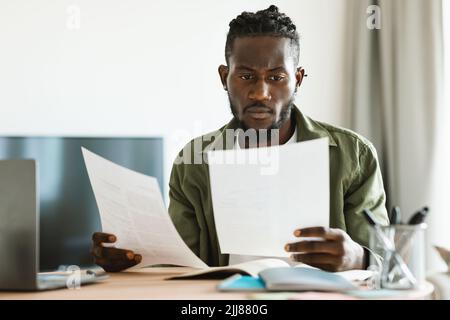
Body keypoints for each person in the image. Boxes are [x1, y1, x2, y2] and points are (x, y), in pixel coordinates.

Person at [91, 5, 389, 273]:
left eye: (276, 77)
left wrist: (356, 257)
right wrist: (132, 259)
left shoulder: (354, 155)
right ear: (225, 77)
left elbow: (387, 263)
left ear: (297, 79)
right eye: (246, 76)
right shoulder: (193, 161)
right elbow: (179, 266)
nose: (260, 93)